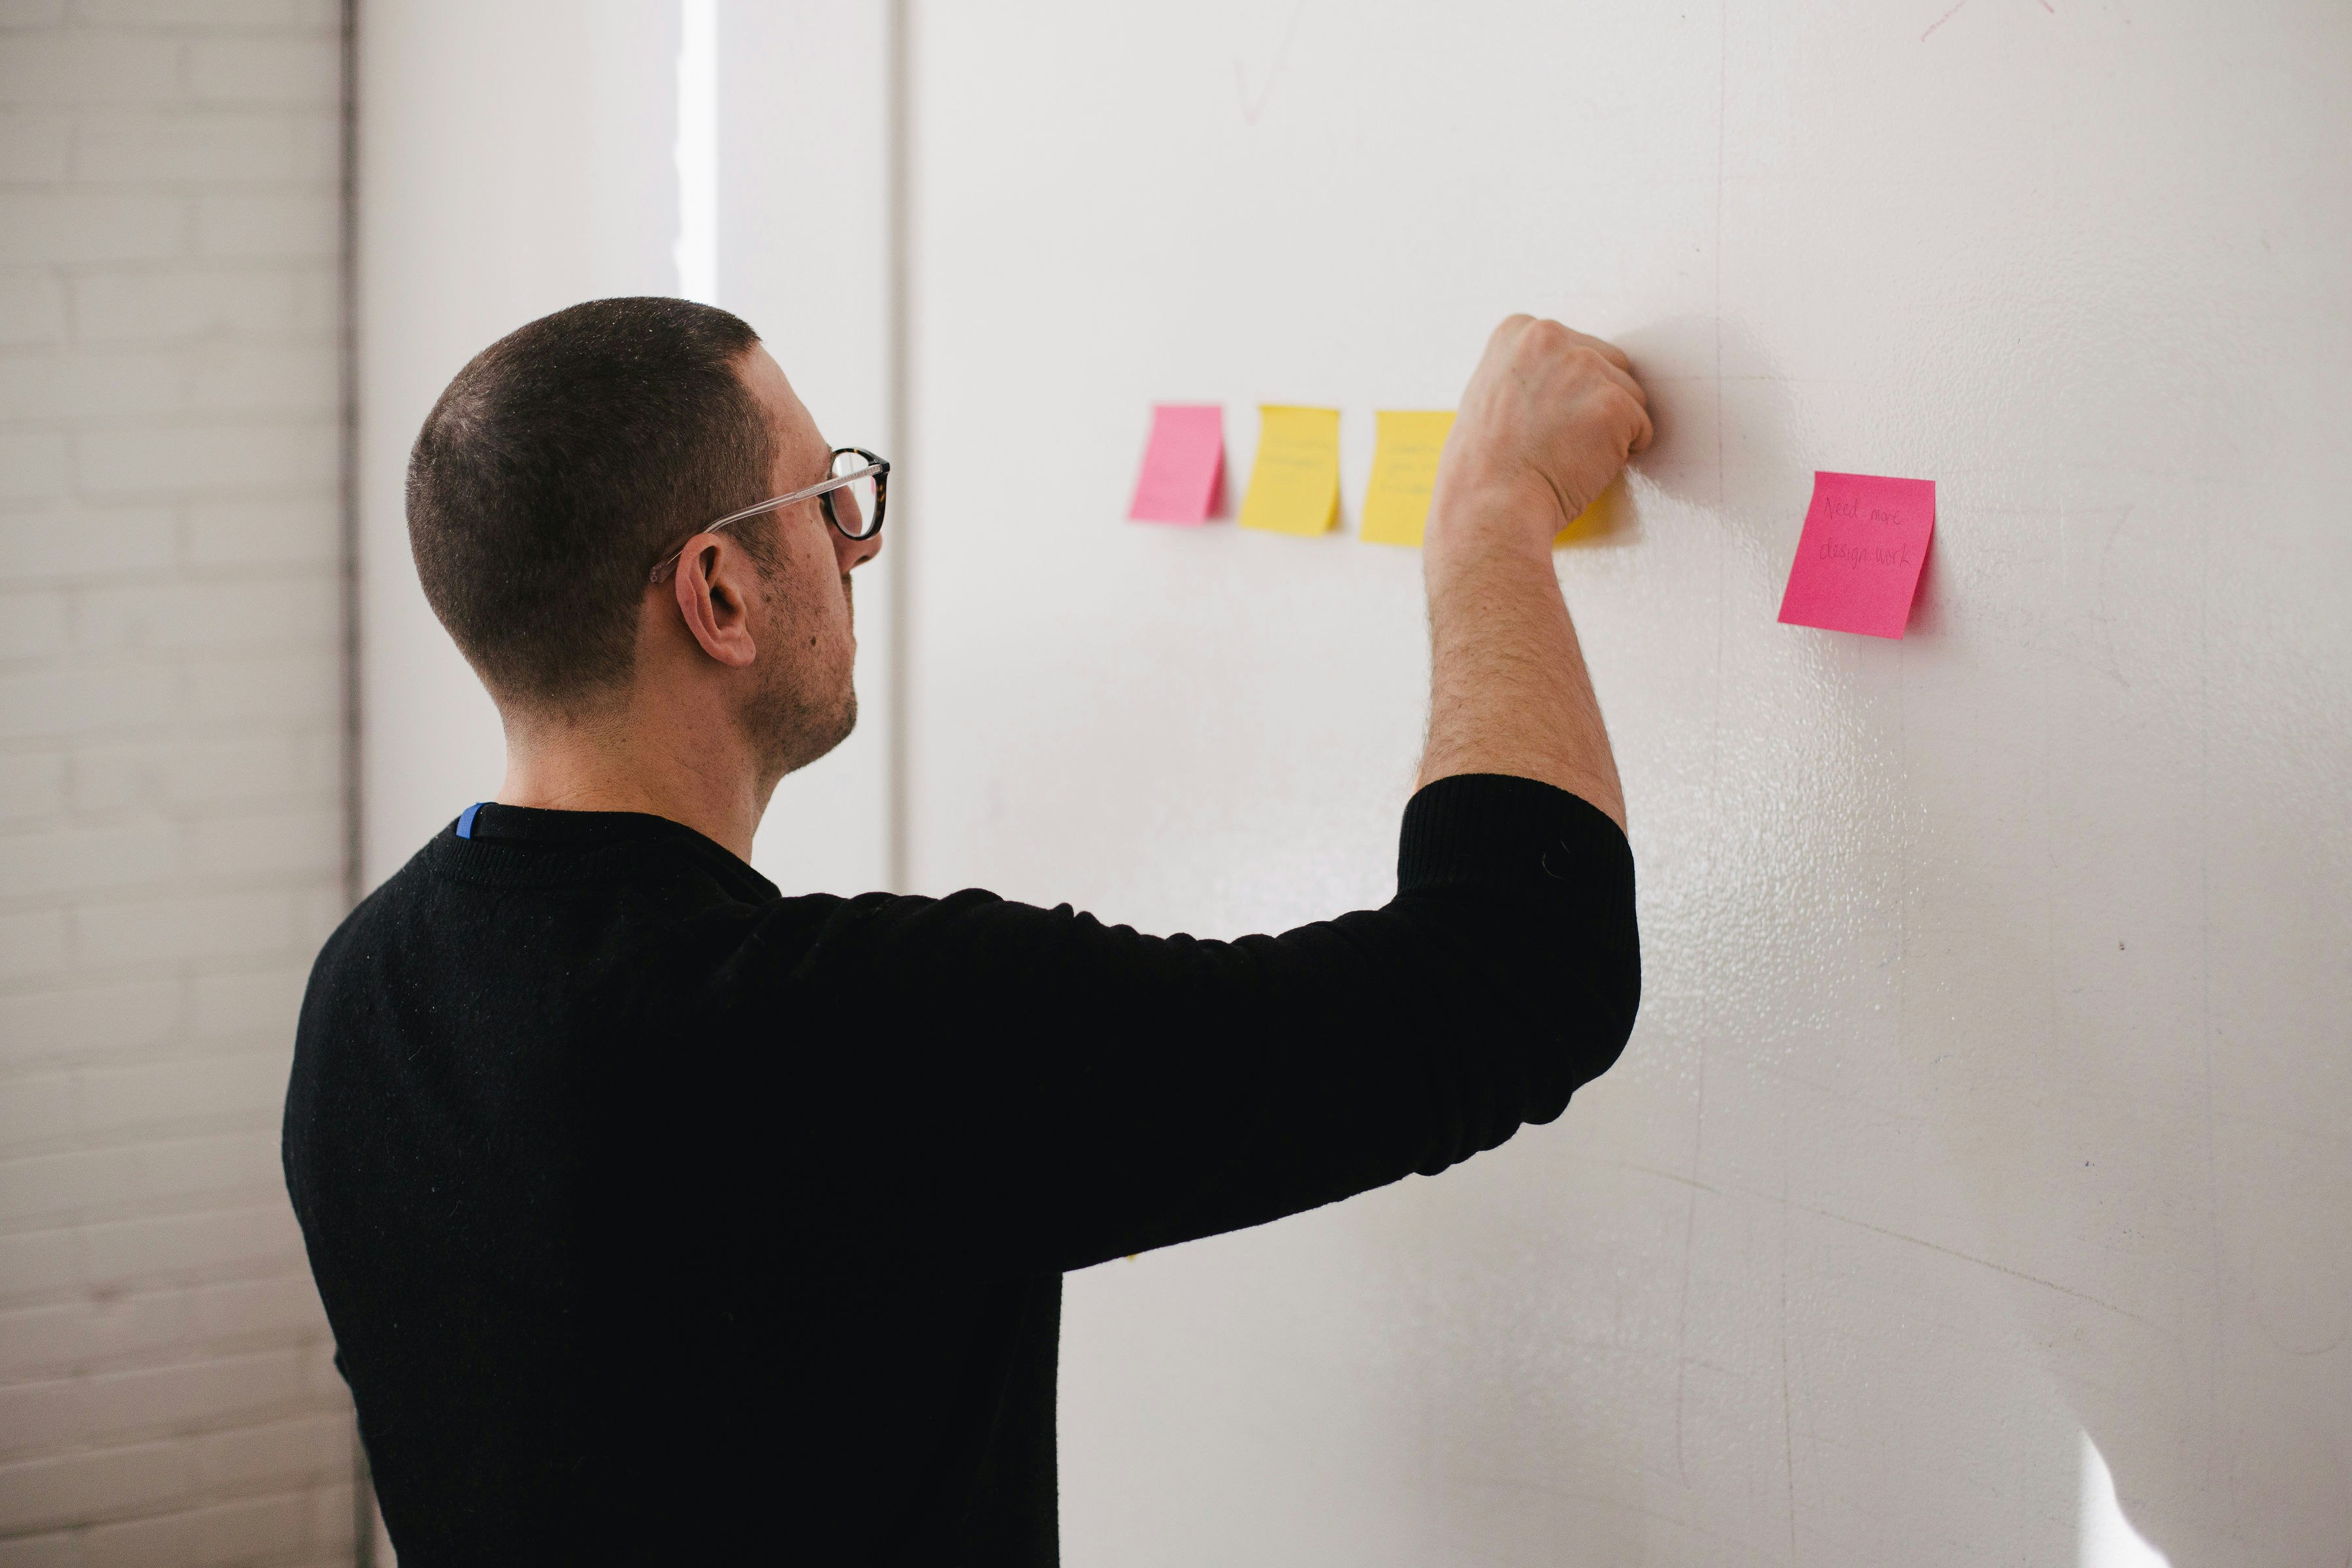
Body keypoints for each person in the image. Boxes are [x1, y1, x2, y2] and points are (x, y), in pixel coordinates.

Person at [282, 295, 1653, 1565]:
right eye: (829, 504)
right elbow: (1516, 977)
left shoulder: (363, 996)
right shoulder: (854, 1037)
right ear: (720, 594)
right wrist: (1491, 513)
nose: (855, 543)